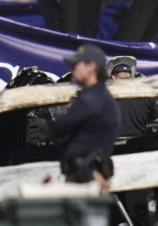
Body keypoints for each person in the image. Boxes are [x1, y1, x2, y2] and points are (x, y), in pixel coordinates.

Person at [48, 44, 121, 189]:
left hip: (87, 177)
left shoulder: (93, 99)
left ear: (91, 67)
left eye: (76, 65)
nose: (72, 69)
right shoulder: (97, 96)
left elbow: (58, 128)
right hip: (84, 175)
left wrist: (47, 127)